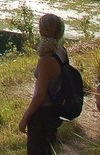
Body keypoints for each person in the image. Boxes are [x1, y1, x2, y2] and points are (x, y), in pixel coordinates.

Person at [18, 13, 67, 155]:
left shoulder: (45, 60)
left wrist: (25, 118)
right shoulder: (61, 51)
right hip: (55, 112)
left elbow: (40, 95)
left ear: (41, 31)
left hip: (42, 114)